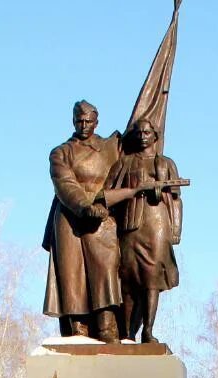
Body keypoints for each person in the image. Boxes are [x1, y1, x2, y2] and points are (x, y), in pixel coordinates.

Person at [43, 100, 125, 341]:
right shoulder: (61, 152)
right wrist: (84, 207)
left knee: (106, 270)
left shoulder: (111, 147)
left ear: (97, 121)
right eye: (79, 120)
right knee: (72, 275)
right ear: (73, 121)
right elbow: (65, 183)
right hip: (71, 217)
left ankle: (107, 328)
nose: (83, 125)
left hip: (104, 215)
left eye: (88, 121)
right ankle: (79, 331)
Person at [107, 118, 182, 343]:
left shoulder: (166, 163)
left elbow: (176, 199)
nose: (143, 136)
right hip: (131, 225)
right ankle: (127, 332)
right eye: (139, 133)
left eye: (147, 133)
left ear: (155, 136)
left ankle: (147, 331)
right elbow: (108, 193)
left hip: (157, 224)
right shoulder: (124, 162)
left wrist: (176, 229)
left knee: (152, 278)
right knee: (129, 279)